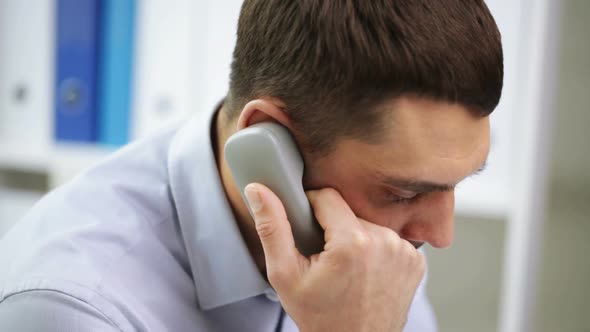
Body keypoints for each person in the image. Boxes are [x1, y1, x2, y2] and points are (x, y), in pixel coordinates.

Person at [0, 0, 502, 331]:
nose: (439, 234)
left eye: (452, 186)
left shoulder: (375, 248)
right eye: (406, 192)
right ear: (268, 141)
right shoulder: (76, 307)